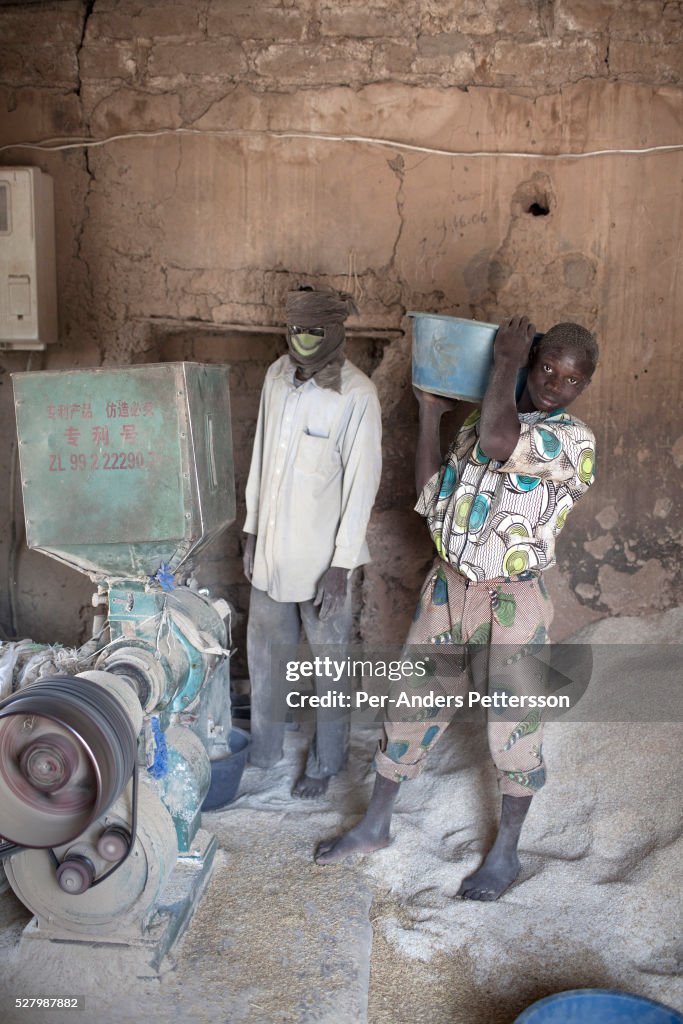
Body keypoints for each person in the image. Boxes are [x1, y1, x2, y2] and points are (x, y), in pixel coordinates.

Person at [315, 315, 598, 899]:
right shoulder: (479, 420)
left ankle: (507, 854)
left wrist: (506, 361)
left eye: (571, 379)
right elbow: (431, 497)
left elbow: (502, 440)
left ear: (581, 390)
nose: (555, 384)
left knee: (513, 725)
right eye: (547, 367)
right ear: (535, 359)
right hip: (448, 589)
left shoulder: (573, 442)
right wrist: (428, 413)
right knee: (412, 705)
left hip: (513, 602)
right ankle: (376, 825)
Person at [243, 287, 382, 798]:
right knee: (264, 654)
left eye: (315, 331)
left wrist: (342, 565)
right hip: (271, 552)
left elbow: (362, 484)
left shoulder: (356, 394)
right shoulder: (276, 377)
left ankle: (327, 763)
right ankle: (264, 749)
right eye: (295, 329)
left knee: (330, 663)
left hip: (324, 562)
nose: (302, 341)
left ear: (337, 332)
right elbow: (260, 455)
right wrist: (251, 529)